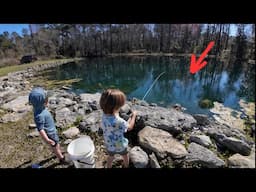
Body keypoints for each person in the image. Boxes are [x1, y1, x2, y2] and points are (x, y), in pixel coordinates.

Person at [29, 87, 68, 164]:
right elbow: (40, 129)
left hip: (52, 130)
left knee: (56, 144)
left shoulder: (39, 108)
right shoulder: (39, 115)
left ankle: (58, 150)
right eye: (46, 99)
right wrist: (47, 139)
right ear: (44, 102)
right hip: (50, 134)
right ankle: (61, 159)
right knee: (55, 146)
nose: (48, 100)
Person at [99, 89, 137, 168]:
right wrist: (133, 116)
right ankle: (126, 165)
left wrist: (126, 119)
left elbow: (117, 121)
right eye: (120, 105)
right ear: (116, 107)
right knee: (125, 155)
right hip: (119, 144)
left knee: (111, 156)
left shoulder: (104, 115)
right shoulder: (119, 121)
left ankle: (108, 166)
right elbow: (129, 127)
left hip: (108, 143)